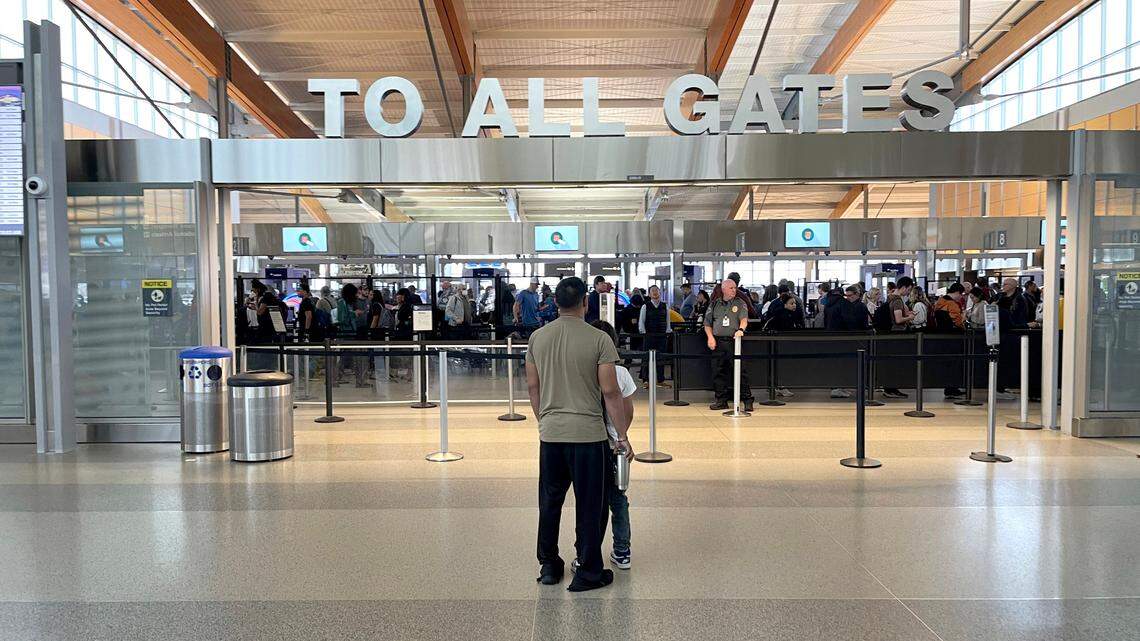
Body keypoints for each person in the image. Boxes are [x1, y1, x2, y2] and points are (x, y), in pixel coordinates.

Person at [526, 277, 631, 592]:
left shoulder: (537, 338)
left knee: (550, 501)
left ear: (555, 303)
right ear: (586, 303)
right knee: (591, 504)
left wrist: (544, 419)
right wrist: (622, 435)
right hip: (589, 436)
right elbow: (611, 392)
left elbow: (533, 387)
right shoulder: (600, 340)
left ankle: (549, 566)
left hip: (552, 434)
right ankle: (587, 570)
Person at [588, 320, 636, 571]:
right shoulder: (621, 374)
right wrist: (622, 436)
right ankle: (622, 551)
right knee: (618, 499)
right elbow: (628, 411)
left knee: (590, 501)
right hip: (615, 445)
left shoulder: (583, 372)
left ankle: (587, 554)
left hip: (589, 443)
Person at [704, 279, 753, 411]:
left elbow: (744, 319)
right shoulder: (714, 304)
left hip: (733, 341)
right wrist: (710, 338)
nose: (734, 290)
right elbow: (707, 323)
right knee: (718, 371)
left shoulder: (740, 303)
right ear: (724, 289)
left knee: (740, 371)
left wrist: (741, 330)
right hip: (718, 342)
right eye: (731, 288)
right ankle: (721, 400)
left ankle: (747, 400)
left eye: (735, 288)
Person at [880, 277, 916, 399]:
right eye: (909, 290)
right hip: (897, 333)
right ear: (904, 287)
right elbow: (898, 319)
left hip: (889, 333)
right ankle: (891, 389)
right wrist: (910, 318)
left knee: (891, 362)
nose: (908, 293)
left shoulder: (889, 297)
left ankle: (890, 387)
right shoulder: (897, 301)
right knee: (896, 363)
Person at [336, 284, 369, 388]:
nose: (357, 295)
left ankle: (359, 380)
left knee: (346, 358)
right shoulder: (342, 303)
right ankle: (359, 381)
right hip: (347, 333)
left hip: (351, 333)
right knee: (354, 357)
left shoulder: (348, 303)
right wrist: (354, 314)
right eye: (355, 293)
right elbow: (342, 319)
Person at [638, 285, 670, 387]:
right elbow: (641, 321)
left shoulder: (665, 306)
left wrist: (668, 330)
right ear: (649, 294)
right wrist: (643, 332)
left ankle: (660, 380)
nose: (655, 292)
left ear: (660, 293)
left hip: (662, 335)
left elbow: (667, 320)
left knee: (661, 358)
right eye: (653, 291)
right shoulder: (645, 306)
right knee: (646, 358)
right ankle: (645, 380)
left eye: (657, 290)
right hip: (649, 335)